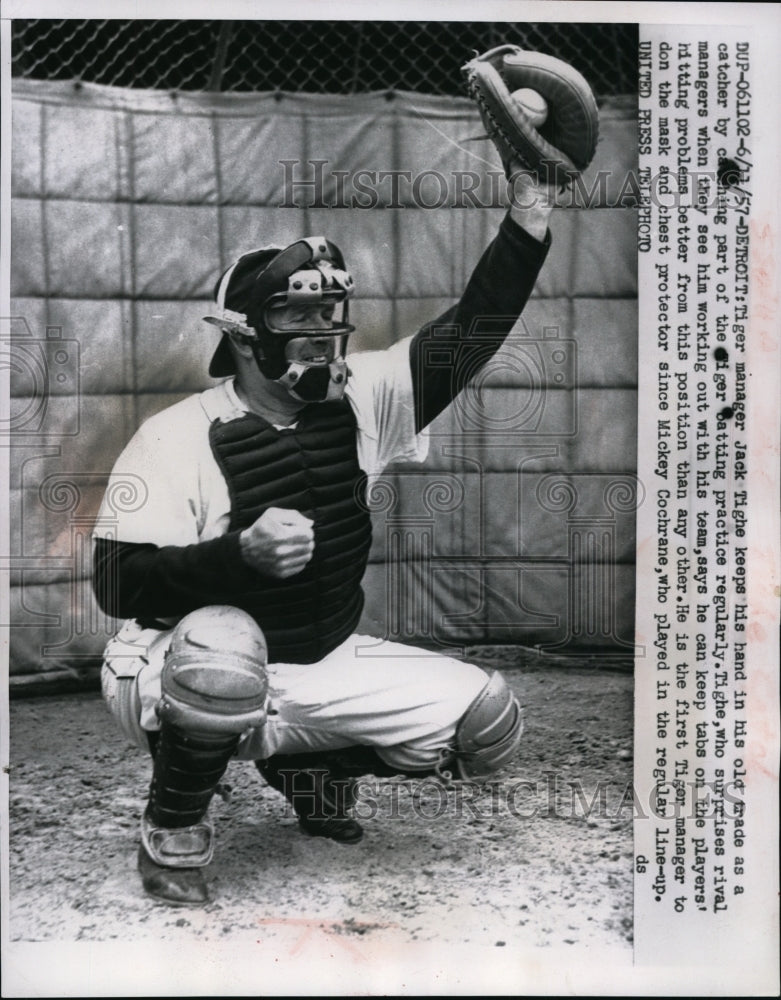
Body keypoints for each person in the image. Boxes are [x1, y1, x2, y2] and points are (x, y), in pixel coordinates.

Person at [92, 168, 557, 906]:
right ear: (242, 336)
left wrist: (529, 210)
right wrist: (235, 555)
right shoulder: (173, 435)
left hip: (315, 656)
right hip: (167, 665)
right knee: (222, 645)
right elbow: (116, 585)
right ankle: (174, 825)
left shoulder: (366, 394)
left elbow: (471, 331)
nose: (320, 332)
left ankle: (308, 772)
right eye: (293, 316)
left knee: (484, 720)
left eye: (330, 312)